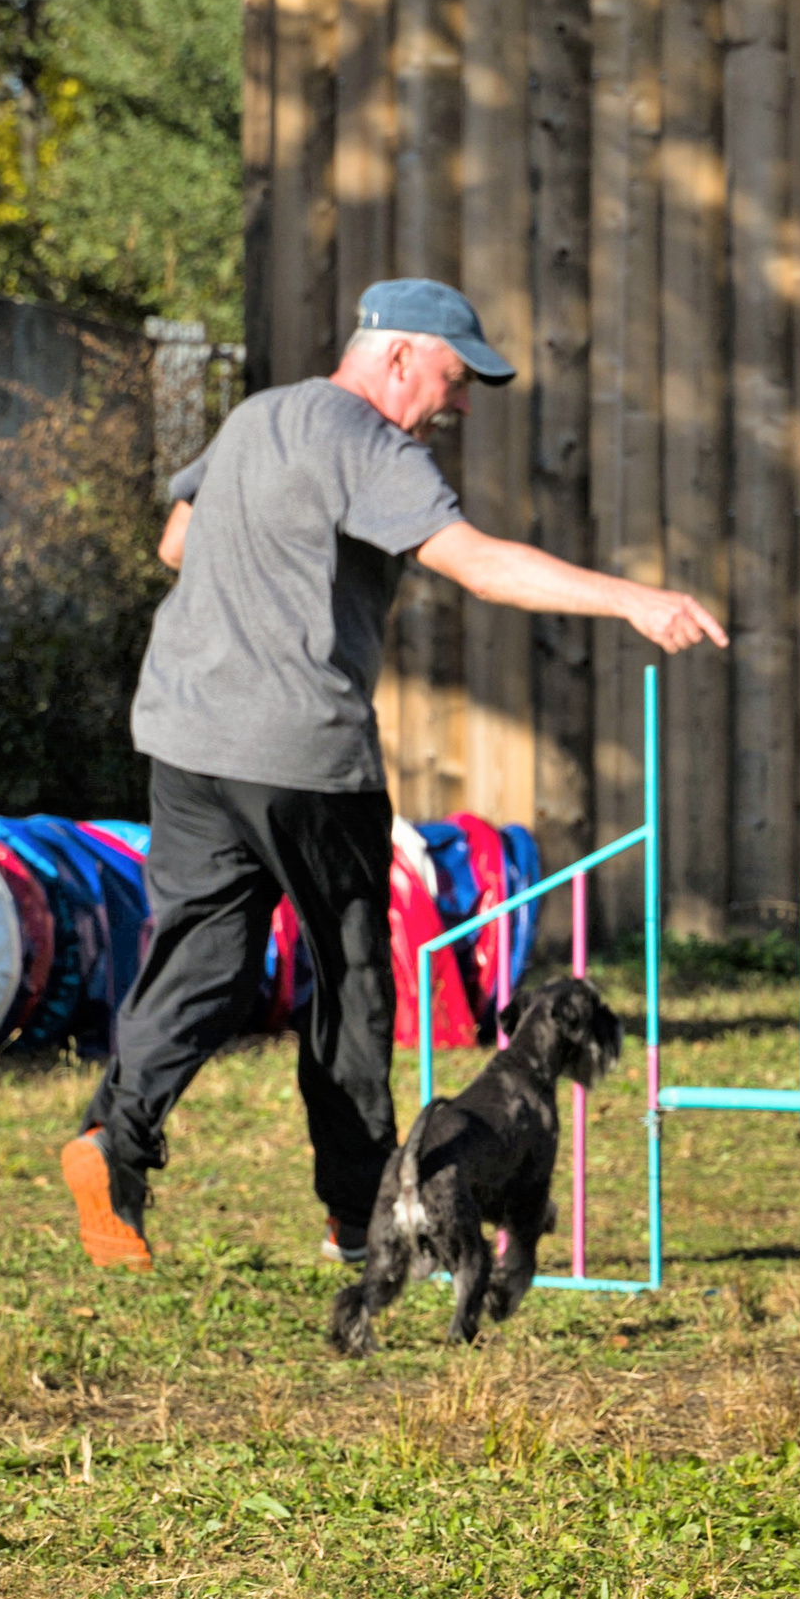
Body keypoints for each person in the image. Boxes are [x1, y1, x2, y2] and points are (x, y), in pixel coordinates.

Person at [63, 278, 725, 1272]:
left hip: (187, 738)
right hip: (304, 758)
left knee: (199, 960)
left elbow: (176, 541)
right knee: (351, 982)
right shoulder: (370, 444)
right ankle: (354, 1213)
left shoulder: (256, 416)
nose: (457, 405)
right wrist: (633, 599)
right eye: (454, 379)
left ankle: (112, 1144)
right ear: (398, 355)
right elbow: (479, 564)